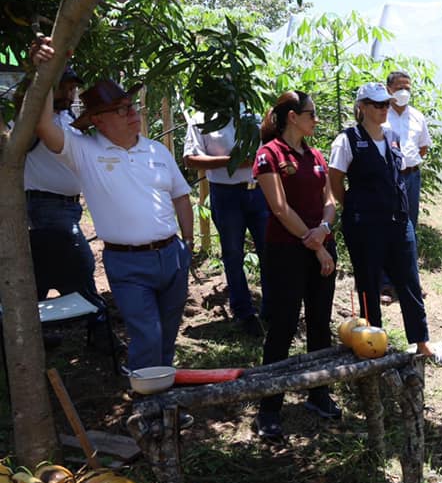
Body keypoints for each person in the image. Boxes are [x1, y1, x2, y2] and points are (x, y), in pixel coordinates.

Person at [32, 63, 193, 375]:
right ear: (98, 121)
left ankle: (163, 404)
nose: (131, 112)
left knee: (167, 336)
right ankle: (149, 410)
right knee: (147, 335)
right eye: (120, 110)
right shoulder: (84, 150)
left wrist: (187, 244)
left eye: (130, 106)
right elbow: (43, 128)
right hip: (128, 263)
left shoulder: (156, 150)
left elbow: (181, 196)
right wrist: (43, 73)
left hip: (172, 256)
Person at [328, 82, 442, 367]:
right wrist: (351, 205)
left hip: (398, 221)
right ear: (361, 107)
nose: (384, 108)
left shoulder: (391, 135)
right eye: (378, 104)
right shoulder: (347, 140)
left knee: (410, 281)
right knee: (369, 284)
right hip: (365, 224)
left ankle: (422, 344)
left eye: (386, 103)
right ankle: (374, 346)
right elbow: (335, 178)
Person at [252, 91, 340, 438]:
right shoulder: (269, 154)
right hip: (287, 251)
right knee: (284, 326)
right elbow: (279, 207)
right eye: (311, 114)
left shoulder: (315, 154)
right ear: (292, 117)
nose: (316, 120)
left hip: (321, 245)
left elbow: (329, 198)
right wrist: (314, 243)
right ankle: (268, 408)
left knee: (320, 323)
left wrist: (325, 229)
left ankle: (318, 393)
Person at [23, 66, 107, 325]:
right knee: (80, 265)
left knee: (42, 271)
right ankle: (99, 327)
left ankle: (31, 331)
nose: (71, 93)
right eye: (65, 87)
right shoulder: (31, 120)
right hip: (47, 206)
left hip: (68, 207)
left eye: (73, 88)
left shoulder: (65, 118)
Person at [183, 113, 269, 336]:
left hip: (259, 191)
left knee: (270, 249)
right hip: (226, 194)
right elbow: (190, 158)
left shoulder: (253, 110)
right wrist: (233, 161)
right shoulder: (201, 118)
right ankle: (244, 312)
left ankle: (271, 308)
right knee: (232, 253)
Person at [380, 70, 433, 304]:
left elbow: (423, 147)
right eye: (399, 87)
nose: (404, 91)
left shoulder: (417, 117)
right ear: (389, 89)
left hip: (411, 177)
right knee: (385, 225)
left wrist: (408, 163)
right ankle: (385, 283)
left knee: (409, 227)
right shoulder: (381, 115)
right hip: (388, 178)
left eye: (408, 88)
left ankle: (409, 281)